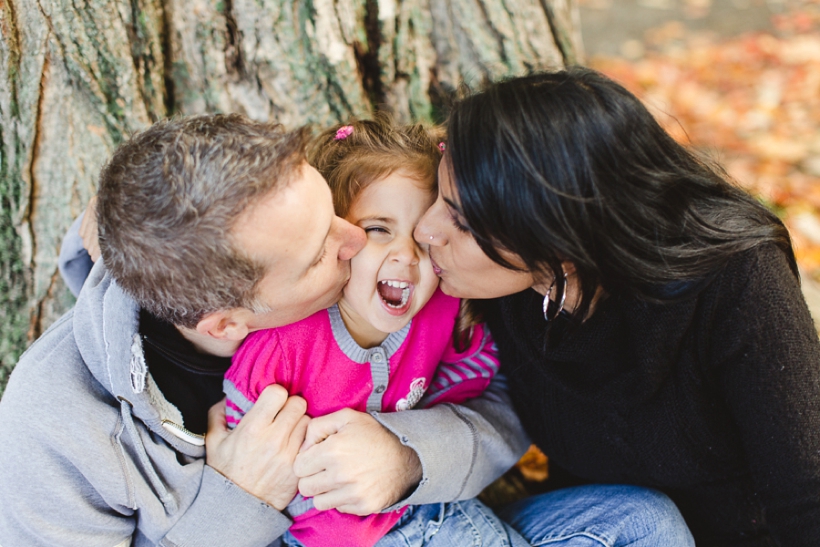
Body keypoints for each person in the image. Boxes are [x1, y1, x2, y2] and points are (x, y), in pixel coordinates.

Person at [0, 114, 529, 546]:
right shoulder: (57, 432)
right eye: (321, 249)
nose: (352, 240)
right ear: (229, 323)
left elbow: (506, 396)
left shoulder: (347, 289)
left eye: (331, 211)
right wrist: (238, 504)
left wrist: (408, 456)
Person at [413, 66, 820, 546]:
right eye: (440, 197)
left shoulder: (737, 284)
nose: (425, 230)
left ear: (558, 237)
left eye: (461, 222)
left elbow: (806, 497)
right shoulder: (499, 287)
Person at [224, 117, 527, 547]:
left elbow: (477, 368)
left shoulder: (443, 308)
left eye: (421, 237)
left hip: (433, 509)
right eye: (378, 229)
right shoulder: (282, 345)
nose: (406, 254)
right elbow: (246, 453)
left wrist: (412, 436)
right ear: (331, 237)